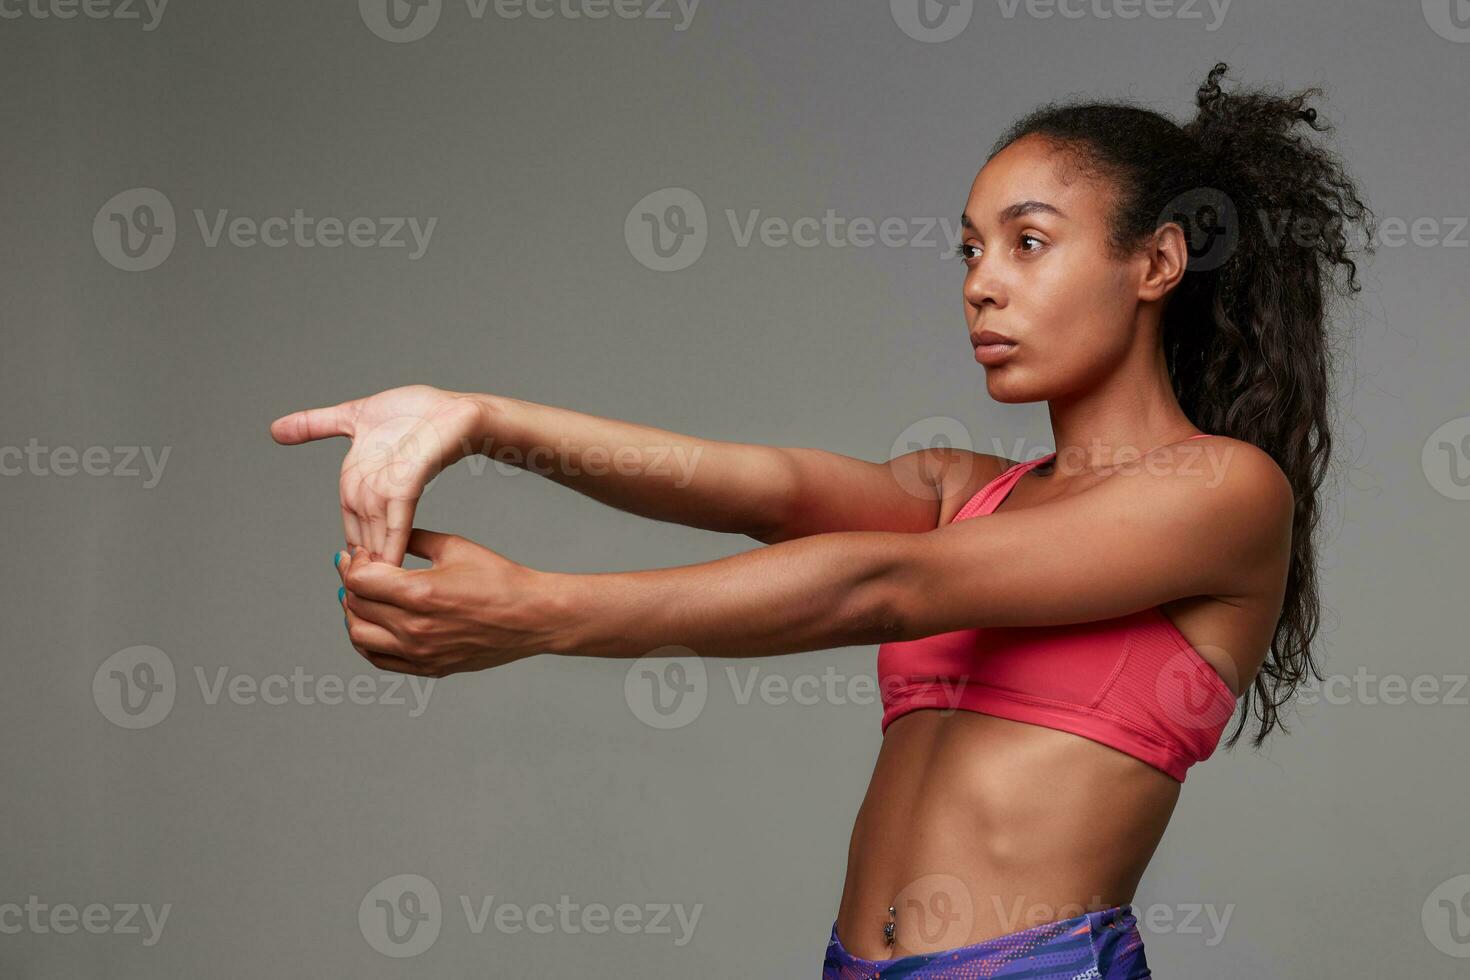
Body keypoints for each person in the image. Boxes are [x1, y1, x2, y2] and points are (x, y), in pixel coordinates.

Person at [271, 62, 1372, 978]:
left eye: (1028, 242)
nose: (981, 283)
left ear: (1158, 262)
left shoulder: (1225, 492)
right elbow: (758, 486)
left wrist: (541, 614)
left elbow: (886, 585)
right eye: (970, 249)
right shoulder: (967, 492)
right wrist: (479, 416)